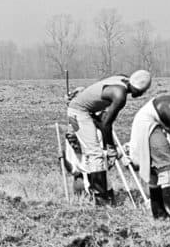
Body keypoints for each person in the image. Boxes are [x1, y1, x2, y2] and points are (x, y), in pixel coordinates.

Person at [65, 70, 152, 203]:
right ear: (140, 90)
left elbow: (104, 119)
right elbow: (106, 124)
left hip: (87, 111)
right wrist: (110, 147)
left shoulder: (122, 79)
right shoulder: (120, 95)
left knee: (97, 153)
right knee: (95, 153)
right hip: (78, 112)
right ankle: (100, 198)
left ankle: (101, 194)